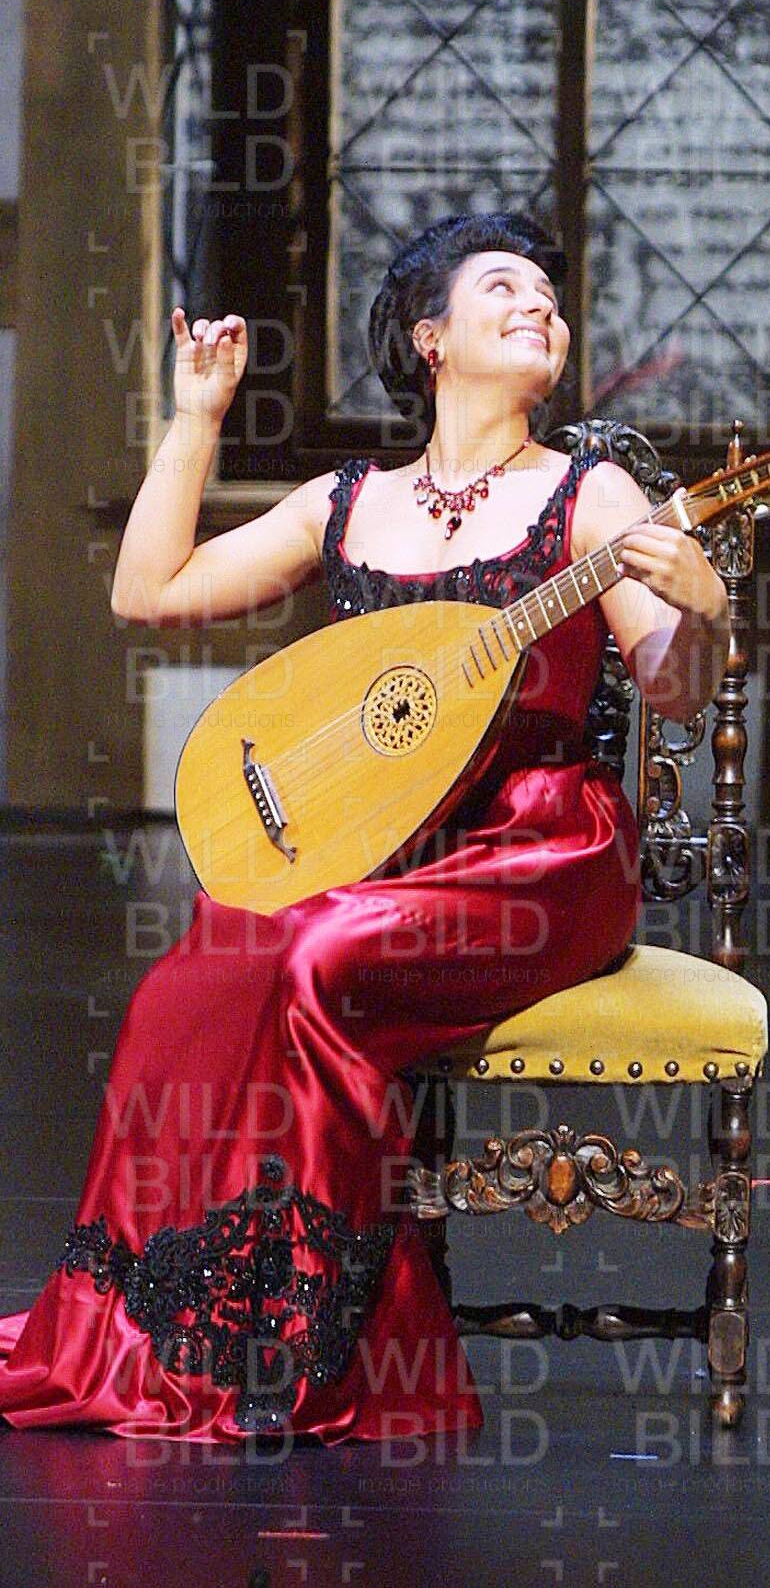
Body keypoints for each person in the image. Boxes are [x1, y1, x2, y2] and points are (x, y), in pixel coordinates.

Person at [0, 210, 729, 1443]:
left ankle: (309, 1348)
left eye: (551, 296)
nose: (540, 304)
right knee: (191, 977)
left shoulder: (591, 493)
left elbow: (674, 686)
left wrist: (702, 610)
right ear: (429, 338)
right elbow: (146, 589)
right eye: (504, 286)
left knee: (316, 956)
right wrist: (196, 416)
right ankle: (168, 1323)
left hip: (544, 847)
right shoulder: (348, 501)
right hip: (378, 847)